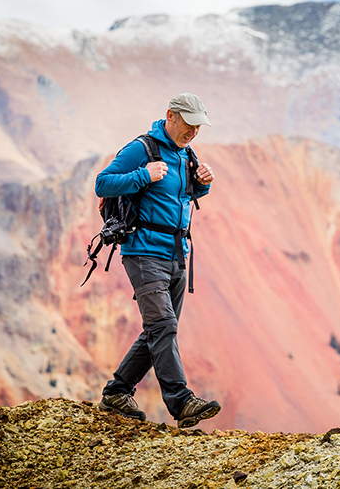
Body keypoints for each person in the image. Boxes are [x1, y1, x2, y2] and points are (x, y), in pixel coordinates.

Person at [95, 92, 221, 428]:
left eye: (199, 126)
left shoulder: (185, 154)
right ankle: (181, 401)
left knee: (159, 329)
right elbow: (103, 184)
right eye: (189, 124)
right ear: (171, 115)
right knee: (163, 326)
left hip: (178, 255)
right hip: (143, 252)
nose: (194, 131)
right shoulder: (142, 149)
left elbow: (183, 195)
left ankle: (117, 393)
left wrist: (203, 185)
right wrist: (143, 175)